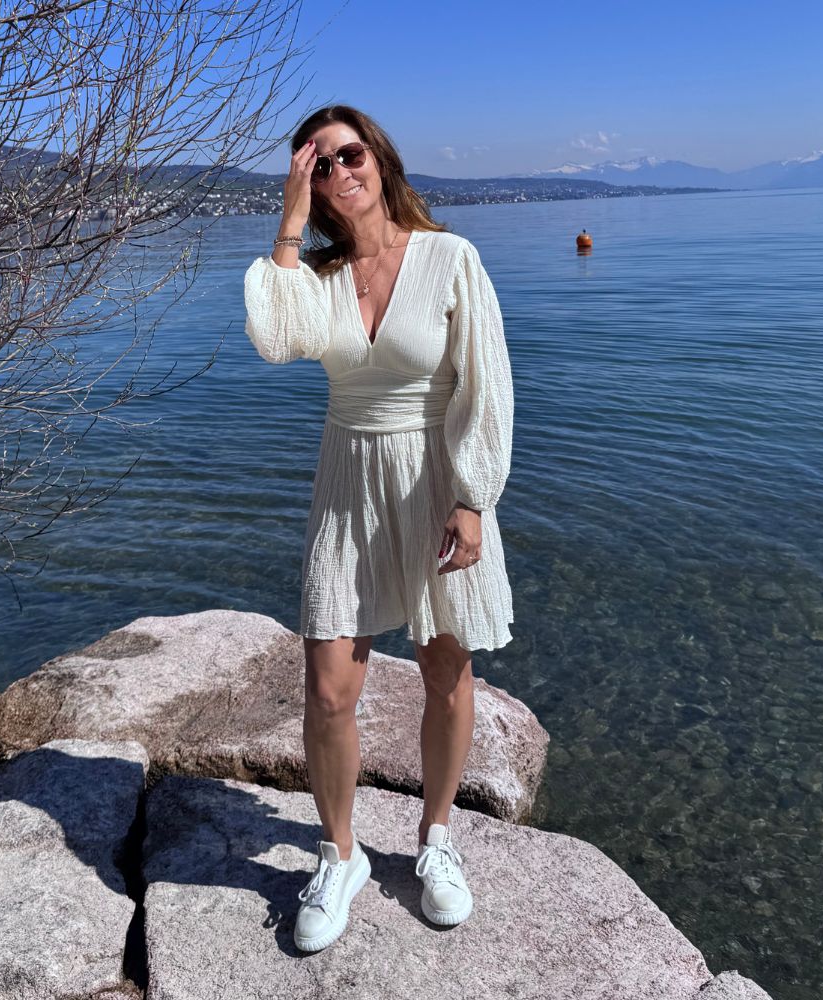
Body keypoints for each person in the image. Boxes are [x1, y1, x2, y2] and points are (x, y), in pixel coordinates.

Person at [243, 105, 515, 952]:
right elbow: (274, 338)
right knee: (329, 689)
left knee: (445, 670)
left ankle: (436, 838)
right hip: (348, 484)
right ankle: (340, 855)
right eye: (318, 165)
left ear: (381, 159)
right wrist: (290, 221)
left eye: (349, 154)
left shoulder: (449, 258)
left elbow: (487, 382)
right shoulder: (318, 277)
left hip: (436, 483)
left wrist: (473, 498)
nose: (339, 173)